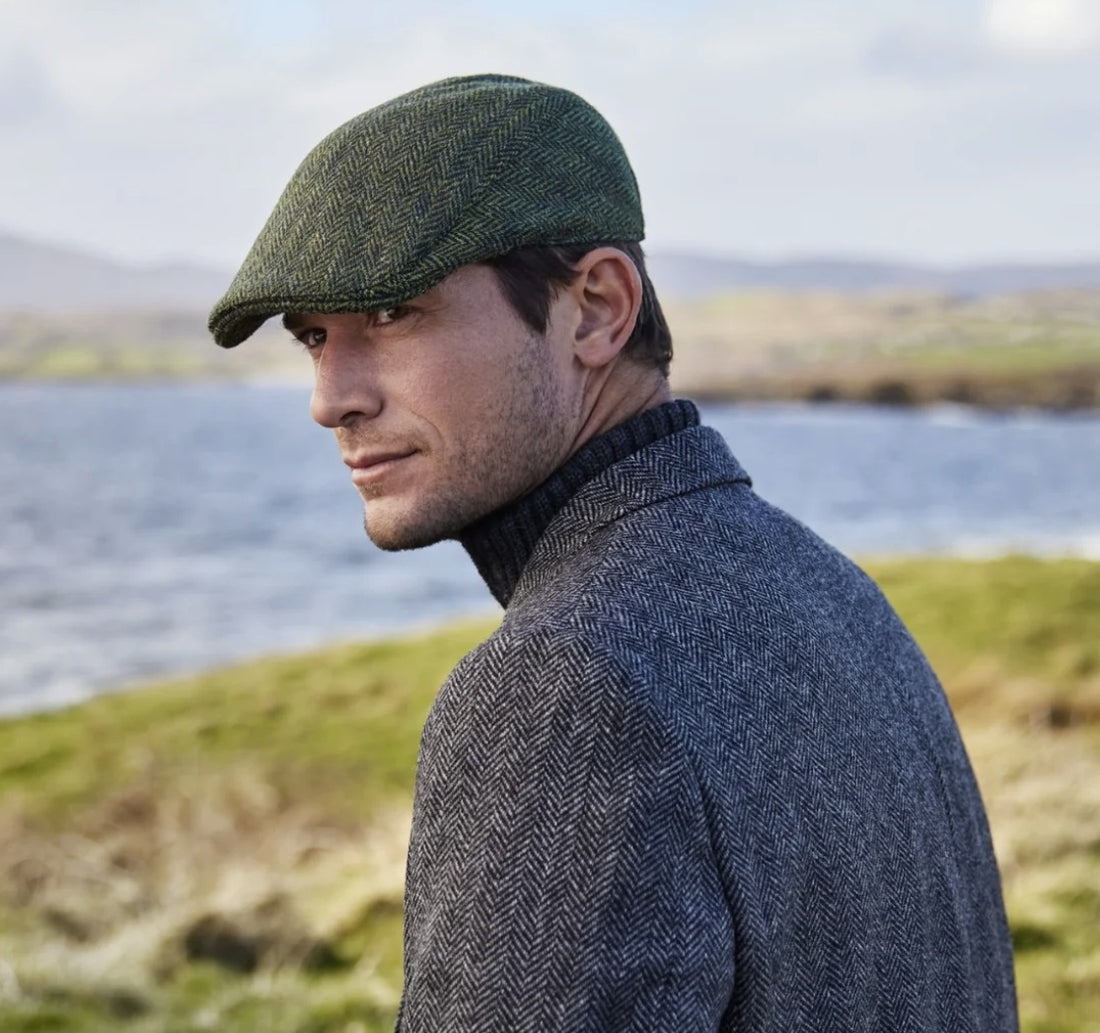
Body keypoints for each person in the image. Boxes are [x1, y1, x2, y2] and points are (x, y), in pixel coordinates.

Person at [209, 74, 1018, 1031]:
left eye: (390, 316)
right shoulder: (836, 593)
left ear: (595, 307)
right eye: (313, 337)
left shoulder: (563, 691)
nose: (330, 396)